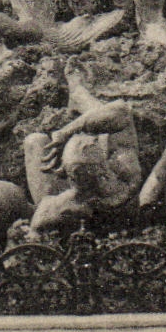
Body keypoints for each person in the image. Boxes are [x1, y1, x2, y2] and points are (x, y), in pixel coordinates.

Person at [23, 77, 141, 232]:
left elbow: (122, 111)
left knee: (35, 141)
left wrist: (66, 133)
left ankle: (79, 96)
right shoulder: (119, 165)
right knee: (37, 141)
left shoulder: (123, 169)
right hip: (83, 203)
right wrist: (69, 134)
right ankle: (79, 96)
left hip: (74, 208)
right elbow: (121, 111)